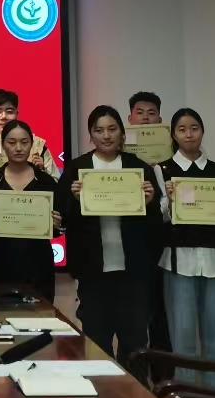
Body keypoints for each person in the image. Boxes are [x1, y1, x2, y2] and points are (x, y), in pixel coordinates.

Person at [58, 106, 160, 376]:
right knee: (96, 343)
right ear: (90, 135)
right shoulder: (77, 169)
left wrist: (150, 202)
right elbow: (62, 219)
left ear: (122, 133)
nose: (106, 136)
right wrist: (74, 200)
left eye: (112, 129)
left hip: (133, 272)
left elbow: (156, 226)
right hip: (93, 272)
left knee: (134, 343)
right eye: (99, 130)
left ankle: (137, 394)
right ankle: (102, 395)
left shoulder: (139, 169)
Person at [152, 108, 215, 387]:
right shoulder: (162, 170)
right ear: (174, 135)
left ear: (202, 131)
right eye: (182, 129)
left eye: (194, 128)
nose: (189, 134)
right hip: (178, 259)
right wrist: (170, 202)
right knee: (182, 334)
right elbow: (158, 217)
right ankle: (186, 397)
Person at [0, 119, 63, 302]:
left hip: (38, 267)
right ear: (3, 145)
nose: (18, 148)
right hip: (1, 266)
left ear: (32, 145)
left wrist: (57, 224)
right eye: (12, 142)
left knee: (41, 317)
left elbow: (57, 230)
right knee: (1, 317)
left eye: (24, 142)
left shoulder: (46, 183)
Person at [127, 90, 172, 361]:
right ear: (129, 119)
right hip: (129, 247)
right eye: (140, 113)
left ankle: (161, 375)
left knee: (160, 313)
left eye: (151, 113)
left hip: (159, 247)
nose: (145, 118)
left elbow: (171, 211)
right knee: (132, 316)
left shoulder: (170, 163)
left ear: (160, 121)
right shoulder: (120, 160)